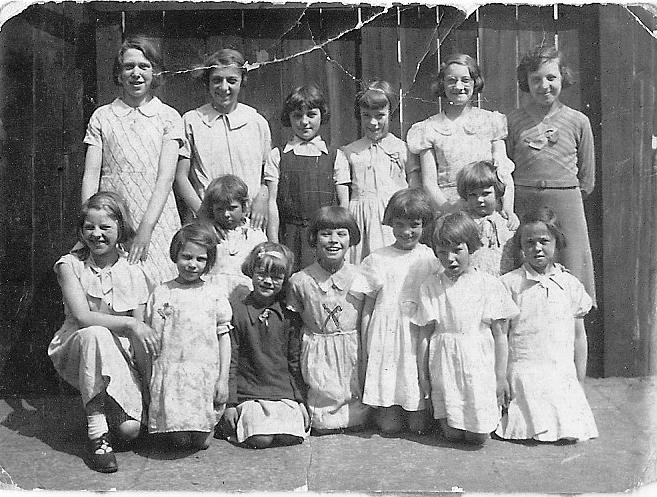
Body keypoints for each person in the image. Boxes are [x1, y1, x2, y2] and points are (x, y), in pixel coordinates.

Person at [48, 192, 157, 473]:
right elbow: (83, 317)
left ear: (121, 228)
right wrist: (131, 324)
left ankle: (116, 412)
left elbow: (140, 333)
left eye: (105, 227)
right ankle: (98, 433)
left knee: (131, 431)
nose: (96, 234)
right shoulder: (69, 265)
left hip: (121, 354)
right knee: (95, 333)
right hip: (77, 345)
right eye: (89, 227)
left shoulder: (133, 269)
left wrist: (148, 392)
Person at [80, 36, 183, 286]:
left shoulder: (168, 117)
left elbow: (166, 177)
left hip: (156, 217)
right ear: (119, 73)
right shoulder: (103, 116)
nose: (136, 73)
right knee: (116, 287)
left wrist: (146, 228)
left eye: (144, 66)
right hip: (113, 216)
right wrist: (88, 223)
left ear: (155, 72)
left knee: (160, 288)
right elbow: (91, 175)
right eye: (129, 67)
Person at [412, 212, 518, 444]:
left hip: (477, 360)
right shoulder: (431, 286)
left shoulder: (489, 284)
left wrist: (500, 377)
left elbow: (500, 336)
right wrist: (423, 376)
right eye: (442, 252)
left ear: (471, 247)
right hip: (444, 359)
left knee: (477, 436)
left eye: (457, 250)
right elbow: (424, 335)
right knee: (452, 433)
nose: (450, 259)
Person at [495, 207, 598, 442]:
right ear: (521, 246)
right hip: (524, 369)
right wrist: (501, 378)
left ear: (557, 242)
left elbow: (579, 337)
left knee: (568, 432)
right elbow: (501, 336)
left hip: (560, 370)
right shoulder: (510, 284)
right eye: (529, 242)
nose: (537, 248)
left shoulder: (569, 284)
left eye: (544, 241)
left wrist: (579, 380)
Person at [507, 45, 596, 305]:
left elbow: (587, 178)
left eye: (551, 78)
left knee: (572, 263)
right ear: (526, 82)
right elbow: (507, 165)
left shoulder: (578, 121)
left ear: (562, 78)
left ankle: (573, 322)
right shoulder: (513, 121)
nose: (544, 85)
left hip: (566, 202)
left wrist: (564, 195)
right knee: (525, 266)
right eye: (535, 80)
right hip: (525, 201)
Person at [357, 189, 438, 434]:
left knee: (418, 427)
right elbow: (368, 307)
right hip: (387, 332)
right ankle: (387, 408)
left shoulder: (428, 257)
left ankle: (416, 409)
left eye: (414, 225)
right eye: (399, 225)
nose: (406, 232)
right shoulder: (378, 258)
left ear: (424, 225)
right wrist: (365, 343)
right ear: (390, 223)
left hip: (415, 331)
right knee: (390, 427)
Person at [406, 53, 518, 228]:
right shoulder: (428, 128)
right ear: (442, 83)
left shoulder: (491, 122)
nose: (459, 86)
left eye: (465, 80)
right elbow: (429, 183)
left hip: (486, 209)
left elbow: (503, 172)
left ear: (475, 82)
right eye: (451, 80)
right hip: (448, 211)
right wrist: (450, 209)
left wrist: (508, 209)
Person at [147, 223, 232, 450]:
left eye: (200, 259)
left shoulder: (214, 293)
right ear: (176, 255)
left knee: (202, 443)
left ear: (209, 262)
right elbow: (152, 335)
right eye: (186, 257)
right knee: (179, 440)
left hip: (203, 371)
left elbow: (224, 337)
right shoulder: (162, 292)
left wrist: (222, 379)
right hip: (173, 369)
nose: (192, 265)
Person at [287, 206, 370, 432]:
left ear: (351, 239)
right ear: (314, 238)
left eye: (341, 234)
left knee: (356, 409)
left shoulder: (359, 277)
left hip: (351, 349)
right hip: (318, 349)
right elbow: (294, 325)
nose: (334, 241)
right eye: (326, 234)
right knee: (323, 416)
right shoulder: (301, 281)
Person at [220, 242, 309, 449]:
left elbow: (294, 362)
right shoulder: (238, 311)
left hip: (282, 392)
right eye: (262, 274)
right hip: (249, 392)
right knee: (260, 439)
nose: (268, 281)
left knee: (289, 438)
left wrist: (300, 401)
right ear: (252, 272)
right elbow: (231, 360)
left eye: (277, 277)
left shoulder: (289, 315)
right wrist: (231, 403)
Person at [176, 49, 271, 230]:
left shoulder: (256, 121)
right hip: (208, 219)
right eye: (217, 80)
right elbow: (180, 177)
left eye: (232, 80)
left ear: (242, 81)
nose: (224, 87)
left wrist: (263, 198)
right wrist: (204, 216)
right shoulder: (192, 121)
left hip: (250, 220)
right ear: (208, 82)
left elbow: (268, 175)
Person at [334, 80, 420, 264]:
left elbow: (414, 192)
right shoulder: (349, 152)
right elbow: (343, 202)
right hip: (360, 220)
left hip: (393, 219)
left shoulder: (403, 149)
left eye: (380, 116)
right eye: (366, 116)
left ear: (391, 114)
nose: (373, 122)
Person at [265, 84, 336, 271]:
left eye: (311, 115)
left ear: (322, 115)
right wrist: (274, 244)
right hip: (290, 236)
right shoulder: (278, 155)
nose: (304, 122)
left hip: (324, 238)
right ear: (289, 117)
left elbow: (343, 206)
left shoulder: (335, 156)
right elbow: (272, 201)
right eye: (297, 115)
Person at [198, 174, 268, 300]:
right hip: (212, 296)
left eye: (232, 208)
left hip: (244, 298)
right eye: (219, 209)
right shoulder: (208, 233)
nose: (226, 214)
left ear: (244, 206)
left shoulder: (254, 234)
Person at [456, 160, 516, 276]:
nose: (479, 200)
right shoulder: (462, 223)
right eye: (473, 195)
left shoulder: (505, 223)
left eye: (485, 193)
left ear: (497, 192)